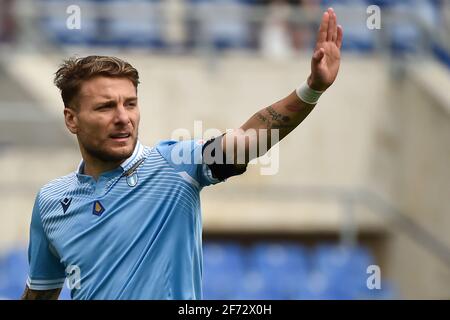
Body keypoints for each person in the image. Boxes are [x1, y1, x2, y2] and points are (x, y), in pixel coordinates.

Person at [22, 8, 342, 300]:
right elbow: (40, 294)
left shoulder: (175, 166)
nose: (123, 117)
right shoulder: (51, 201)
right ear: (71, 119)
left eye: (130, 104)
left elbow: (246, 140)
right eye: (106, 107)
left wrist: (311, 89)